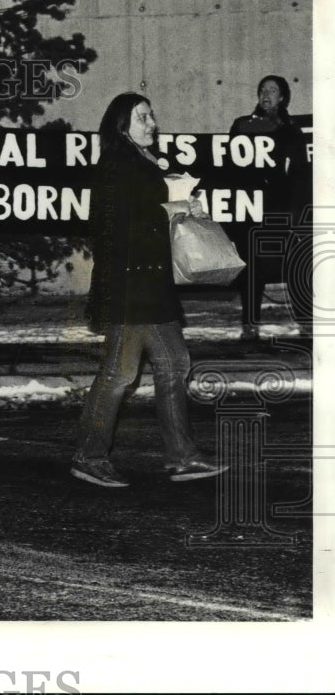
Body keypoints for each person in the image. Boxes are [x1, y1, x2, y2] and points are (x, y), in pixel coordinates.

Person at [72, 93, 228, 488]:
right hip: (128, 288)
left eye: (152, 115)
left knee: (174, 365)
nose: (152, 122)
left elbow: (154, 210)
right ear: (122, 124)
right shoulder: (115, 165)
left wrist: (182, 207)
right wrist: (171, 209)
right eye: (143, 116)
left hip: (151, 287)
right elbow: (118, 225)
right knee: (119, 375)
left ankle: (182, 456)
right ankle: (89, 457)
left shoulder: (145, 163)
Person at [229, 75, 312, 339]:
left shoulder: (291, 130)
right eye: (262, 90)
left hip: (283, 208)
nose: (266, 95)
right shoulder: (241, 125)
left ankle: (304, 321)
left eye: (272, 90)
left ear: (283, 97)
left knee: (297, 263)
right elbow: (230, 164)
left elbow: (300, 172)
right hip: (252, 209)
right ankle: (249, 324)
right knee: (252, 266)